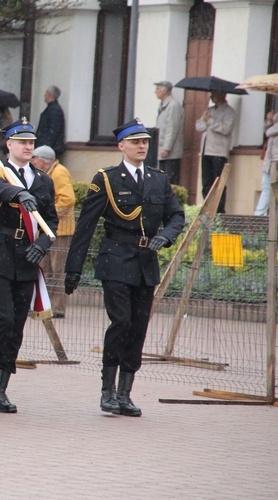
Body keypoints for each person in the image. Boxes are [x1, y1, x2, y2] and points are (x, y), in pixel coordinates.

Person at [64, 118, 185, 417]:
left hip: (146, 264)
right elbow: (86, 226)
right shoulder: (107, 178)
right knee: (122, 323)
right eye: (135, 142)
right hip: (116, 260)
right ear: (122, 146)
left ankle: (125, 393)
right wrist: (73, 269)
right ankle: (107, 390)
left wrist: (165, 237)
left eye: (145, 141)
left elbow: (176, 217)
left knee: (138, 328)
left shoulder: (158, 179)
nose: (142, 146)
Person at [0, 118, 59, 413]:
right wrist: (19, 192)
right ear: (9, 144)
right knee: (3, 319)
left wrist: (42, 245)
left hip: (26, 257)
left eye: (31, 142)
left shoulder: (43, 180)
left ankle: (1, 387)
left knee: (17, 326)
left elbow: (52, 220)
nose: (27, 146)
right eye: (22, 141)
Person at [31, 145, 74, 318]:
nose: (32, 161)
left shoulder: (59, 172)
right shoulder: (48, 173)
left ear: (42, 161)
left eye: (34, 158)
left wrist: (48, 214)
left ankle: (57, 308)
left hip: (61, 230)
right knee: (45, 269)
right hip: (49, 230)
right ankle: (45, 305)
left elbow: (68, 199)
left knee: (57, 270)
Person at [196, 91, 236, 213]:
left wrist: (210, 121)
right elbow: (199, 126)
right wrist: (206, 120)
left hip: (219, 152)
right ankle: (207, 208)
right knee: (206, 182)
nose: (211, 97)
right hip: (206, 150)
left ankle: (219, 210)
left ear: (221, 95)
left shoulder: (229, 112)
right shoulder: (210, 110)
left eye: (213, 94)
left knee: (218, 182)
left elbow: (226, 129)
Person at [154, 81, 184, 185]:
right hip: (161, 150)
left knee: (169, 181)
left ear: (165, 90)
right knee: (162, 179)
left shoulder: (173, 105)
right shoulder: (163, 104)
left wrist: (167, 148)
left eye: (158, 89)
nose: (155, 91)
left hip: (170, 152)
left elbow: (172, 128)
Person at [254, 110, 278, 216]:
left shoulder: (274, 129)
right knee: (267, 188)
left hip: (274, 163)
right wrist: (269, 120)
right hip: (270, 163)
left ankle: (259, 216)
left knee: (270, 189)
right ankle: (260, 216)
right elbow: (266, 131)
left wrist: (272, 121)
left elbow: (269, 131)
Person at [35, 86, 66, 156]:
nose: (44, 95)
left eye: (46, 93)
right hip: (49, 147)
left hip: (50, 148)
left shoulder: (54, 110)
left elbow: (53, 131)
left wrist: (45, 147)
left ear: (49, 94)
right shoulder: (52, 109)